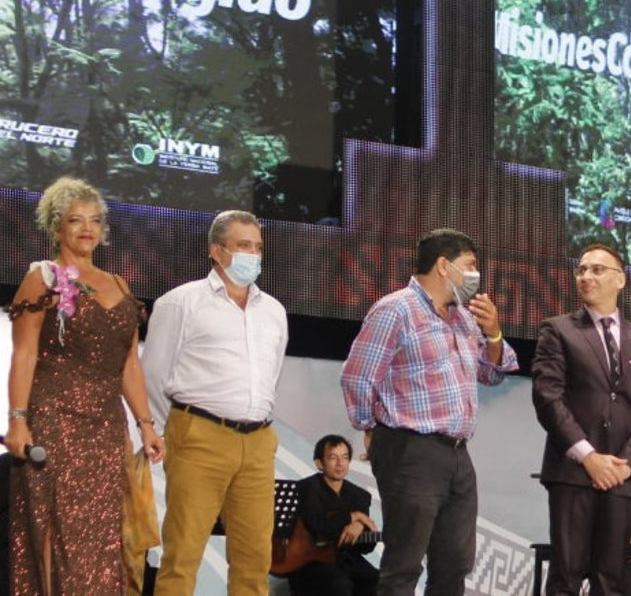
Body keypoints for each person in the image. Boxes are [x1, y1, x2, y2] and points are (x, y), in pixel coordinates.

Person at [4, 176, 164, 594]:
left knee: (102, 537)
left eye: (94, 220)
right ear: (56, 227)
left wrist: (146, 425)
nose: (86, 228)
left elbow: (129, 362)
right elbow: (23, 355)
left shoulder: (121, 284)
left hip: (106, 427)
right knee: (59, 532)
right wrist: (17, 420)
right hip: (55, 420)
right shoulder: (44, 278)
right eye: (75, 220)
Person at [340, 228, 518, 596]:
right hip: (410, 451)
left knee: (454, 565)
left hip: (457, 454)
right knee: (404, 566)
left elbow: (491, 374)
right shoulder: (396, 309)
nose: (475, 277)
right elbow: (357, 376)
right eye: (470, 266)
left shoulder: (464, 319)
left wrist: (495, 335)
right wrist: (371, 426)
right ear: (443, 266)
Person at [143, 210, 288, 596]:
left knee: (255, 560)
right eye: (243, 246)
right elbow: (154, 375)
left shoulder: (273, 311)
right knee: (183, 555)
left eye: (258, 247)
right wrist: (166, 431)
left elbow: (270, 375)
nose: (253, 255)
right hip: (199, 435)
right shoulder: (181, 302)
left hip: (258, 442)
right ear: (217, 251)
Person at [532, 243, 631, 596]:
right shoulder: (558, 330)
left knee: (612, 578)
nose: (586, 276)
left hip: (625, 475)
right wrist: (589, 457)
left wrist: (629, 464)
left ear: (620, 280)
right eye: (581, 269)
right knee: (566, 575)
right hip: (574, 472)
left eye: (597, 269)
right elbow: (548, 398)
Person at [287, 435, 379, 596]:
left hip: (348, 561)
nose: (340, 464)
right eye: (333, 458)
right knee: (338, 584)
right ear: (319, 463)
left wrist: (361, 526)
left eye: (345, 458)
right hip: (309, 562)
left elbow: (366, 548)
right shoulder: (306, 488)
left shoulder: (360, 495)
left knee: (380, 582)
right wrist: (353, 516)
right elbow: (318, 528)